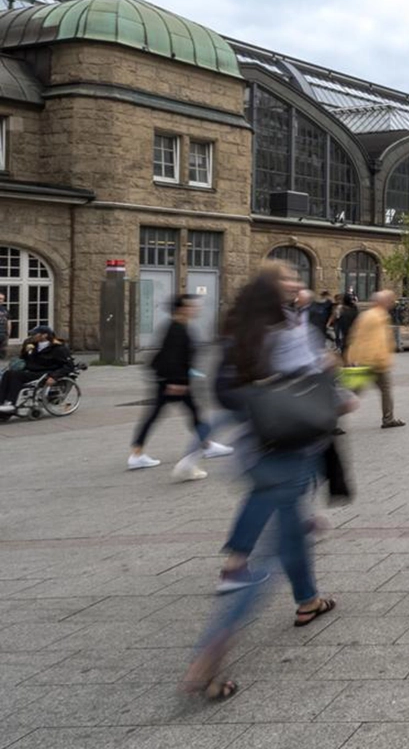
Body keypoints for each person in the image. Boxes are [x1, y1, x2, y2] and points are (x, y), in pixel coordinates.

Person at [180, 262, 346, 703]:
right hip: (291, 453)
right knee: (273, 555)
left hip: (255, 452)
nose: (296, 283)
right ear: (274, 292)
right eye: (288, 278)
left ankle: (308, 598)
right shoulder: (289, 329)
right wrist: (334, 377)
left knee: (293, 534)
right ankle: (213, 649)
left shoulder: (240, 332)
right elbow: (319, 380)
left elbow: (224, 394)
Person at [127, 295, 230, 474]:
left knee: (192, 413)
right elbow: (171, 358)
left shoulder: (178, 327)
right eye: (190, 306)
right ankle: (136, 454)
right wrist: (176, 382)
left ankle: (206, 445)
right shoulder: (176, 329)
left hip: (174, 381)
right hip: (174, 382)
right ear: (181, 309)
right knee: (160, 416)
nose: (194, 309)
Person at [347, 290, 403, 428]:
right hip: (375, 361)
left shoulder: (366, 315)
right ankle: (388, 419)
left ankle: (330, 420)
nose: (391, 303)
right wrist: (384, 359)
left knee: (353, 391)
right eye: (389, 300)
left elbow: (354, 336)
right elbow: (380, 340)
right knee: (385, 390)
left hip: (363, 360)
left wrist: (352, 356)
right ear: (382, 302)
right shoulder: (379, 316)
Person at [0, 327, 73, 414]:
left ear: (44, 335)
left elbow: (68, 366)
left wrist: (54, 376)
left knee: (15, 376)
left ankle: (11, 403)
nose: (32, 336)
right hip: (32, 371)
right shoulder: (33, 346)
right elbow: (25, 360)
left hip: (46, 372)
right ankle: (2, 402)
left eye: (35, 334)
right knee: (7, 374)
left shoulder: (58, 348)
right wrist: (25, 352)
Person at [332, 293, 358, 357]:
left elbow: (339, 319)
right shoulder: (354, 309)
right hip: (353, 330)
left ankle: (346, 358)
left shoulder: (344, 310)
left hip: (346, 330)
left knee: (346, 344)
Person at [0, 294, 8, 360]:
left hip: (3, 334)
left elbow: (9, 321)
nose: (0, 300)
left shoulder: (5, 310)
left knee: (3, 352)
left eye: (2, 299)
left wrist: (8, 333)